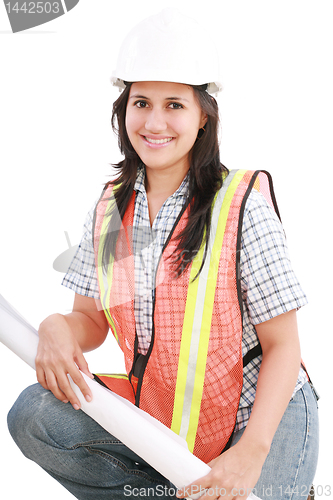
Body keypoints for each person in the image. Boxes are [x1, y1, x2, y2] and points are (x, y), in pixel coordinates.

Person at [7, 9, 319, 500]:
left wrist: (251, 453)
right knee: (35, 417)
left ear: (203, 118)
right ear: (123, 111)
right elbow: (90, 321)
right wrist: (56, 326)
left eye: (174, 104)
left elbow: (283, 346)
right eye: (141, 103)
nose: (155, 122)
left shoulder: (239, 206)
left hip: (259, 417)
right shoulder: (113, 209)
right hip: (169, 417)